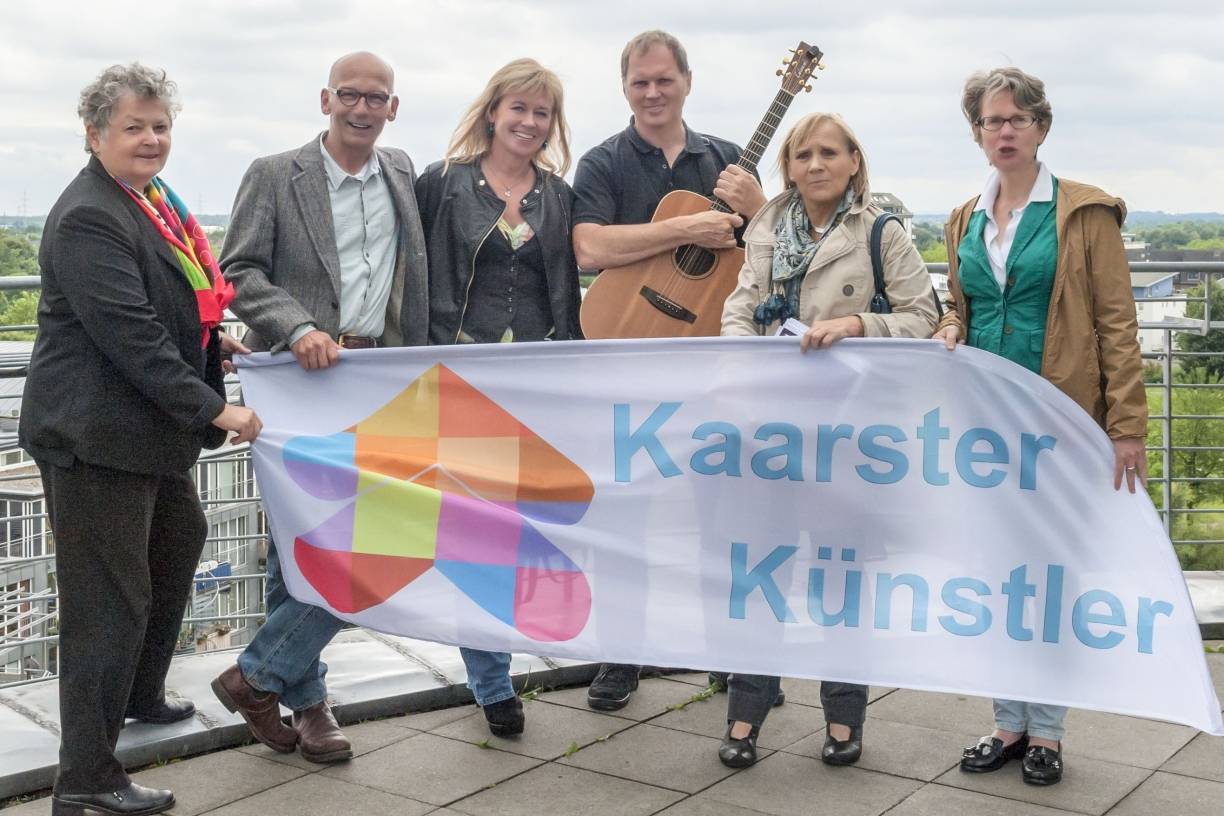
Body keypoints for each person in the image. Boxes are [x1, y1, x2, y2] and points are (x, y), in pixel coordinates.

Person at [20, 63, 261, 816]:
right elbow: (131, 339)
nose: (152, 139)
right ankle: (85, 780)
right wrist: (218, 411)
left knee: (178, 542)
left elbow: (167, 310)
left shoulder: (152, 203)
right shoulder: (90, 214)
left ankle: (138, 693)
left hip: (141, 434)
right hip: (94, 438)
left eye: (160, 125)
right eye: (134, 126)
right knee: (108, 603)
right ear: (94, 134)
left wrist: (216, 348)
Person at [213, 51, 430, 764]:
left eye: (377, 97)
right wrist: (297, 326)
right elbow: (236, 271)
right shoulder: (276, 174)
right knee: (299, 542)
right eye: (349, 95)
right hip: (300, 379)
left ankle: (258, 677)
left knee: (394, 536)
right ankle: (309, 706)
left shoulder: (401, 170)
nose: (362, 108)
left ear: (393, 107)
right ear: (324, 99)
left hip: (381, 379)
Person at [935, 67, 1146, 787]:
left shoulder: (1084, 213)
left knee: (1050, 580)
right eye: (991, 122)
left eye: (1016, 120)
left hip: (1062, 422)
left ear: (1041, 127)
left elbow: (1119, 324)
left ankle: (1049, 730)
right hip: (985, 428)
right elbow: (959, 306)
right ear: (977, 134)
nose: (1003, 132)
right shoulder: (964, 217)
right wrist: (949, 326)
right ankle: (1008, 722)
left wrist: (1127, 428)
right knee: (998, 580)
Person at [719, 111, 939, 768]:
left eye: (828, 154)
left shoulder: (883, 232)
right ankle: (743, 718)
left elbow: (922, 316)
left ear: (852, 162)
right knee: (759, 574)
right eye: (802, 154)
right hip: (771, 429)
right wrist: (741, 363)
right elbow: (740, 303)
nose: (814, 165)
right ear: (787, 166)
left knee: (843, 581)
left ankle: (845, 721)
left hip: (851, 433)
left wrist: (852, 324)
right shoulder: (763, 226)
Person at [573, 28, 767, 712]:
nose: (653, 93)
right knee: (624, 519)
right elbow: (590, 247)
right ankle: (621, 659)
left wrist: (760, 209)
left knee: (723, 523)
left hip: (710, 368)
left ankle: (735, 664)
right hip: (625, 363)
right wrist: (683, 230)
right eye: (639, 82)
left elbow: (769, 258)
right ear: (625, 88)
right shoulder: (602, 162)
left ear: (687, 81)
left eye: (664, 80)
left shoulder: (728, 162)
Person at [414, 57, 581, 736]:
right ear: (492, 112)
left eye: (542, 113)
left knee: (525, 534)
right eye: (519, 108)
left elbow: (569, 283)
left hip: (537, 386)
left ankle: (523, 652)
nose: (530, 122)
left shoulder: (559, 195)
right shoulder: (443, 184)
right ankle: (492, 683)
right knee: (471, 535)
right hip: (460, 386)